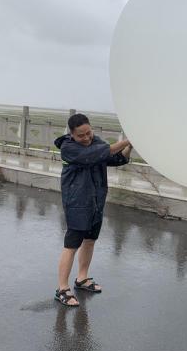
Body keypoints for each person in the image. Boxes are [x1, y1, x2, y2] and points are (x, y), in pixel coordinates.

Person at [53, 113, 132, 307]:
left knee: (89, 242)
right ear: (72, 134)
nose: (87, 138)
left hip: (96, 201)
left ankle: (82, 278)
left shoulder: (95, 142)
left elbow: (116, 159)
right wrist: (127, 140)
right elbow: (98, 155)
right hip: (77, 203)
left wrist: (130, 147)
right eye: (81, 135)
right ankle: (62, 289)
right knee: (72, 245)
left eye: (89, 133)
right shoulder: (68, 148)